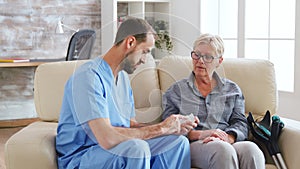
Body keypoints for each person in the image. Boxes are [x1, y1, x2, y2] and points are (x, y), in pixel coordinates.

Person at [56, 17, 198, 169]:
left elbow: (130, 125)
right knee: (137, 149)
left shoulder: (123, 78)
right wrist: (161, 128)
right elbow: (106, 138)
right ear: (130, 43)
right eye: (145, 52)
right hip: (83, 156)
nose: (145, 60)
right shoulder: (88, 76)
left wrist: (170, 128)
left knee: (177, 143)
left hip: (117, 149)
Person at [162, 33, 265, 169]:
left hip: (225, 139)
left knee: (252, 150)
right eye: (196, 55)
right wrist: (202, 134)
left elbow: (240, 122)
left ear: (219, 61)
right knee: (222, 150)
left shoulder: (232, 89)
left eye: (208, 57)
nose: (200, 61)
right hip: (194, 143)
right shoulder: (176, 91)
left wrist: (228, 137)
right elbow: (168, 127)